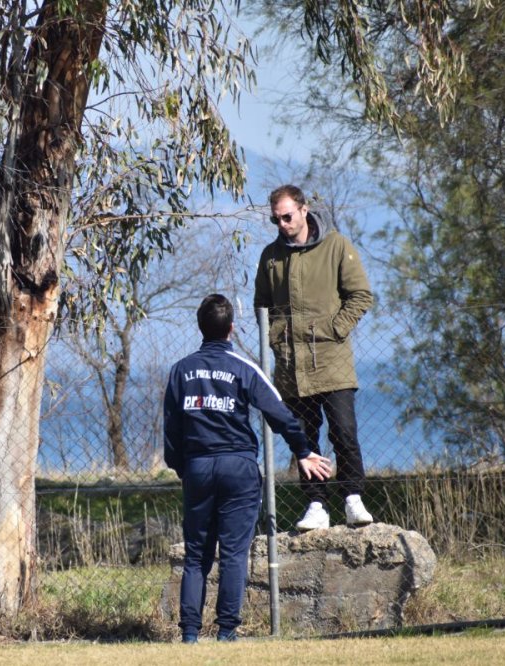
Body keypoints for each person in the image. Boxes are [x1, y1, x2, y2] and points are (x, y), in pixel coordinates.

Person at [163, 294, 332, 644]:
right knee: (234, 553)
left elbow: (172, 429)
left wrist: (184, 468)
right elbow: (279, 411)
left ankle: (190, 634)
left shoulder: (181, 370)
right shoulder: (243, 368)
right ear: (231, 330)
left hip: (198, 467)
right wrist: (303, 450)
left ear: (201, 327)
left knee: (197, 555)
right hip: (238, 467)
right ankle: (227, 632)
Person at [253, 184, 375, 531]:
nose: (282, 224)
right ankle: (316, 504)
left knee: (344, 432)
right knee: (304, 439)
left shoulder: (337, 246)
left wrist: (337, 328)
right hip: (292, 368)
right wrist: (276, 339)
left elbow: (361, 295)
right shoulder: (270, 256)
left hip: (333, 362)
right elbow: (262, 306)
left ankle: (353, 498)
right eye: (275, 219)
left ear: (304, 210)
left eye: (287, 216)